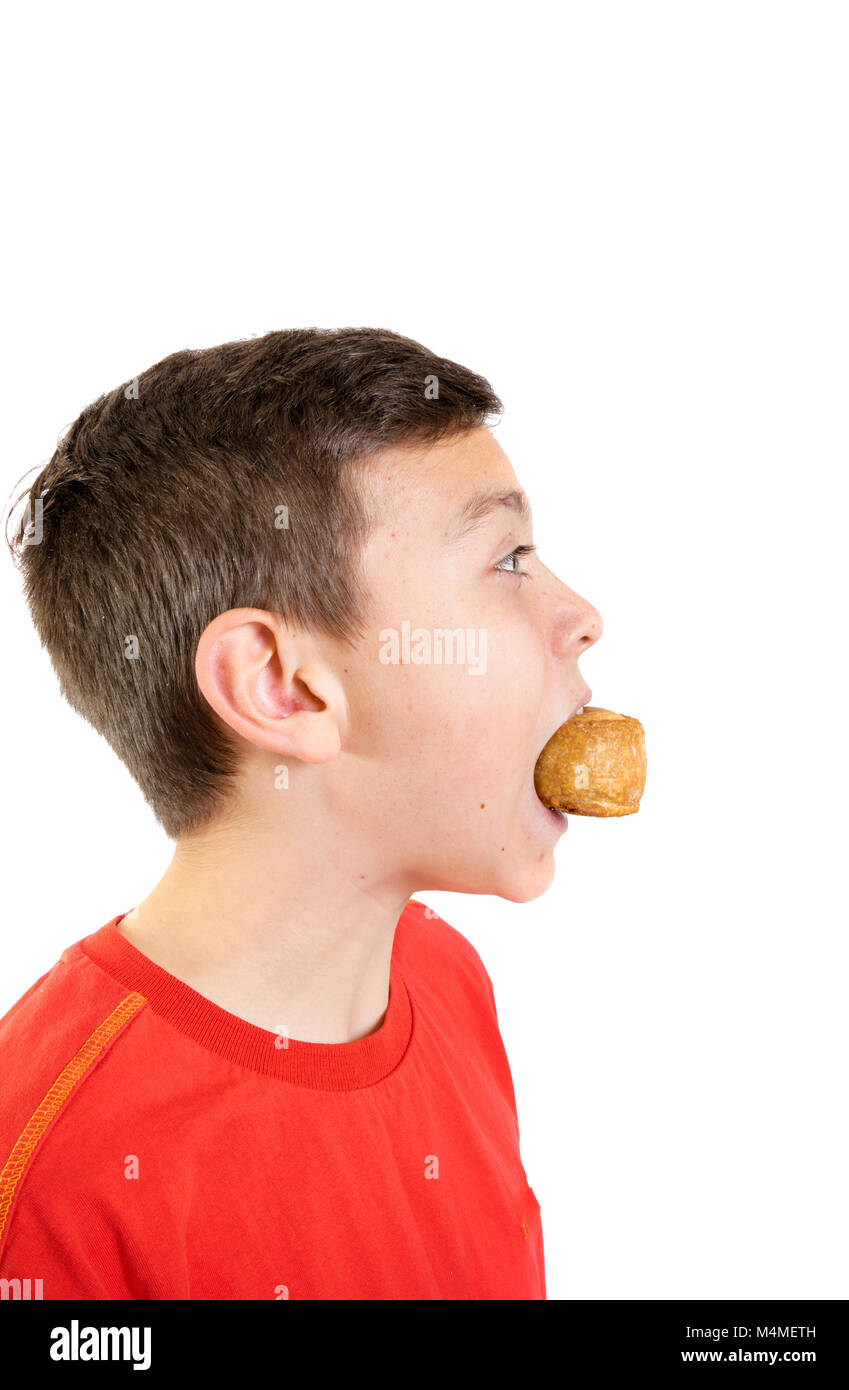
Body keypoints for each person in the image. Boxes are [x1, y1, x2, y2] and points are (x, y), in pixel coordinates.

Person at [0, 328, 601, 1299]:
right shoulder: (47, 1189)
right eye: (506, 558)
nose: (581, 615)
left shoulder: (444, 980)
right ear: (283, 686)